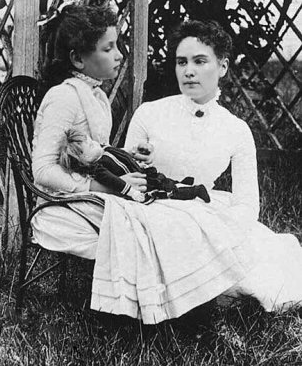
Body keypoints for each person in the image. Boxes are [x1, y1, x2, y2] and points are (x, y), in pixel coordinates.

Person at [121, 19, 302, 320]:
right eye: (181, 62)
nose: (188, 70)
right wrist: (135, 161)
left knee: (268, 278)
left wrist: (222, 236)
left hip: (207, 215)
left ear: (222, 67)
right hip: (152, 214)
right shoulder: (150, 114)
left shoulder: (236, 129)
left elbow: (246, 203)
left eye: (200, 61)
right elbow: (126, 176)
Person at [32, 2, 151, 258]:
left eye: (116, 45)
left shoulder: (93, 95)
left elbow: (90, 152)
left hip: (88, 197)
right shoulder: (64, 97)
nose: (119, 55)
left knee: (162, 210)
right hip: (60, 207)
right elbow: (42, 171)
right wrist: (108, 187)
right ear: (77, 59)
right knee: (151, 225)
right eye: (108, 48)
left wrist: (126, 156)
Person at [58, 128, 211, 203]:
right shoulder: (98, 168)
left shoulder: (104, 149)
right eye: (90, 147)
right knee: (166, 190)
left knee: (163, 179)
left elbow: (121, 153)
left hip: (143, 171)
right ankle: (194, 191)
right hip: (142, 182)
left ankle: (181, 182)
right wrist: (132, 193)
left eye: (91, 141)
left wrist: (132, 152)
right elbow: (115, 181)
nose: (95, 144)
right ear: (84, 161)